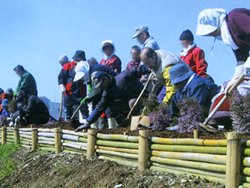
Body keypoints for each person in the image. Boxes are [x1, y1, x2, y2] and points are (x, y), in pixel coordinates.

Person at [196, 8, 250, 93]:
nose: (210, 35)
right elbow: (242, 60)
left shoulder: (235, 18)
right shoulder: (231, 37)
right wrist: (235, 80)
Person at [75, 69, 146, 131]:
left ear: (106, 79)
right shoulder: (107, 93)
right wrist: (88, 122)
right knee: (112, 107)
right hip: (127, 105)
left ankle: (140, 125)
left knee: (132, 102)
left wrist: (148, 71)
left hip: (143, 100)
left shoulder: (123, 77)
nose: (101, 88)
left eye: (101, 85)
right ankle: (125, 126)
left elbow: (136, 69)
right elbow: (100, 106)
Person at [73, 61, 117, 129]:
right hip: (105, 89)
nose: (82, 79)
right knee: (97, 105)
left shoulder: (95, 73)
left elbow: (97, 89)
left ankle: (112, 127)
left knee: (107, 107)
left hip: (112, 87)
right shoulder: (91, 72)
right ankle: (93, 126)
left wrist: (88, 97)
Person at [58, 50, 88, 121]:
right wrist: (61, 84)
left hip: (81, 92)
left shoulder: (85, 66)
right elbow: (61, 76)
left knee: (84, 111)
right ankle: (68, 125)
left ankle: (86, 124)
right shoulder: (68, 66)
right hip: (69, 92)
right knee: (68, 112)